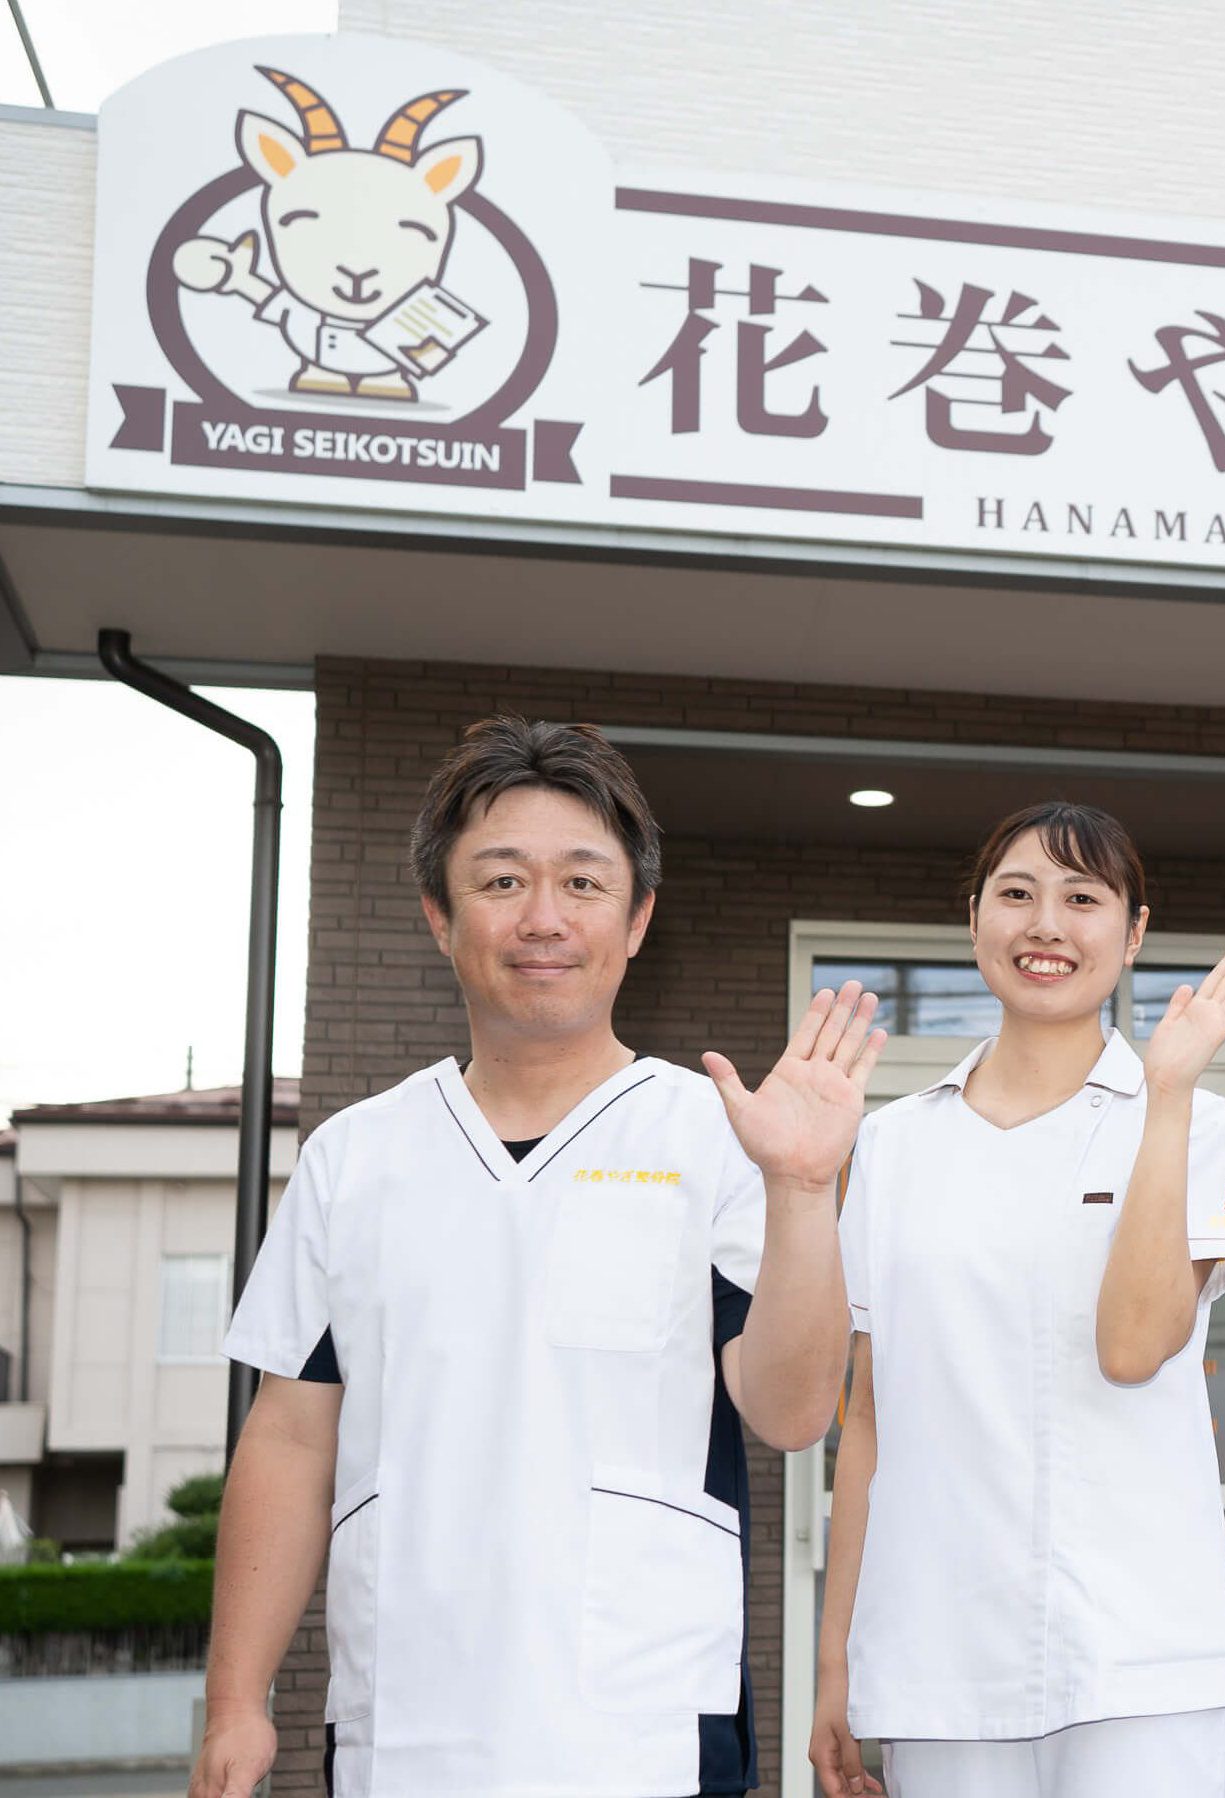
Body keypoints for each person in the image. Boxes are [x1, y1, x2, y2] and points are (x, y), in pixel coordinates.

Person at [195, 717, 870, 1798]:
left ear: (638, 917)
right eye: (502, 881)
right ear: (439, 914)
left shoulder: (714, 1137)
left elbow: (790, 1414)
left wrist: (801, 1190)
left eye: (583, 884)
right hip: (406, 1727)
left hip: (644, 1728)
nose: (543, 918)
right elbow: (287, 1437)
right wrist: (236, 1702)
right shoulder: (354, 1157)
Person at [812, 801, 1225, 1798]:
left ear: (1134, 930)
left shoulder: (1190, 1116)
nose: (1045, 925)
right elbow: (868, 1419)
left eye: (1082, 898)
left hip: (1141, 1661)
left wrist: (1171, 1095)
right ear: (974, 919)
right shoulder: (893, 1144)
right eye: (1016, 895)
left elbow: (1136, 1343)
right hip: (939, 1658)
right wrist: (836, 1662)